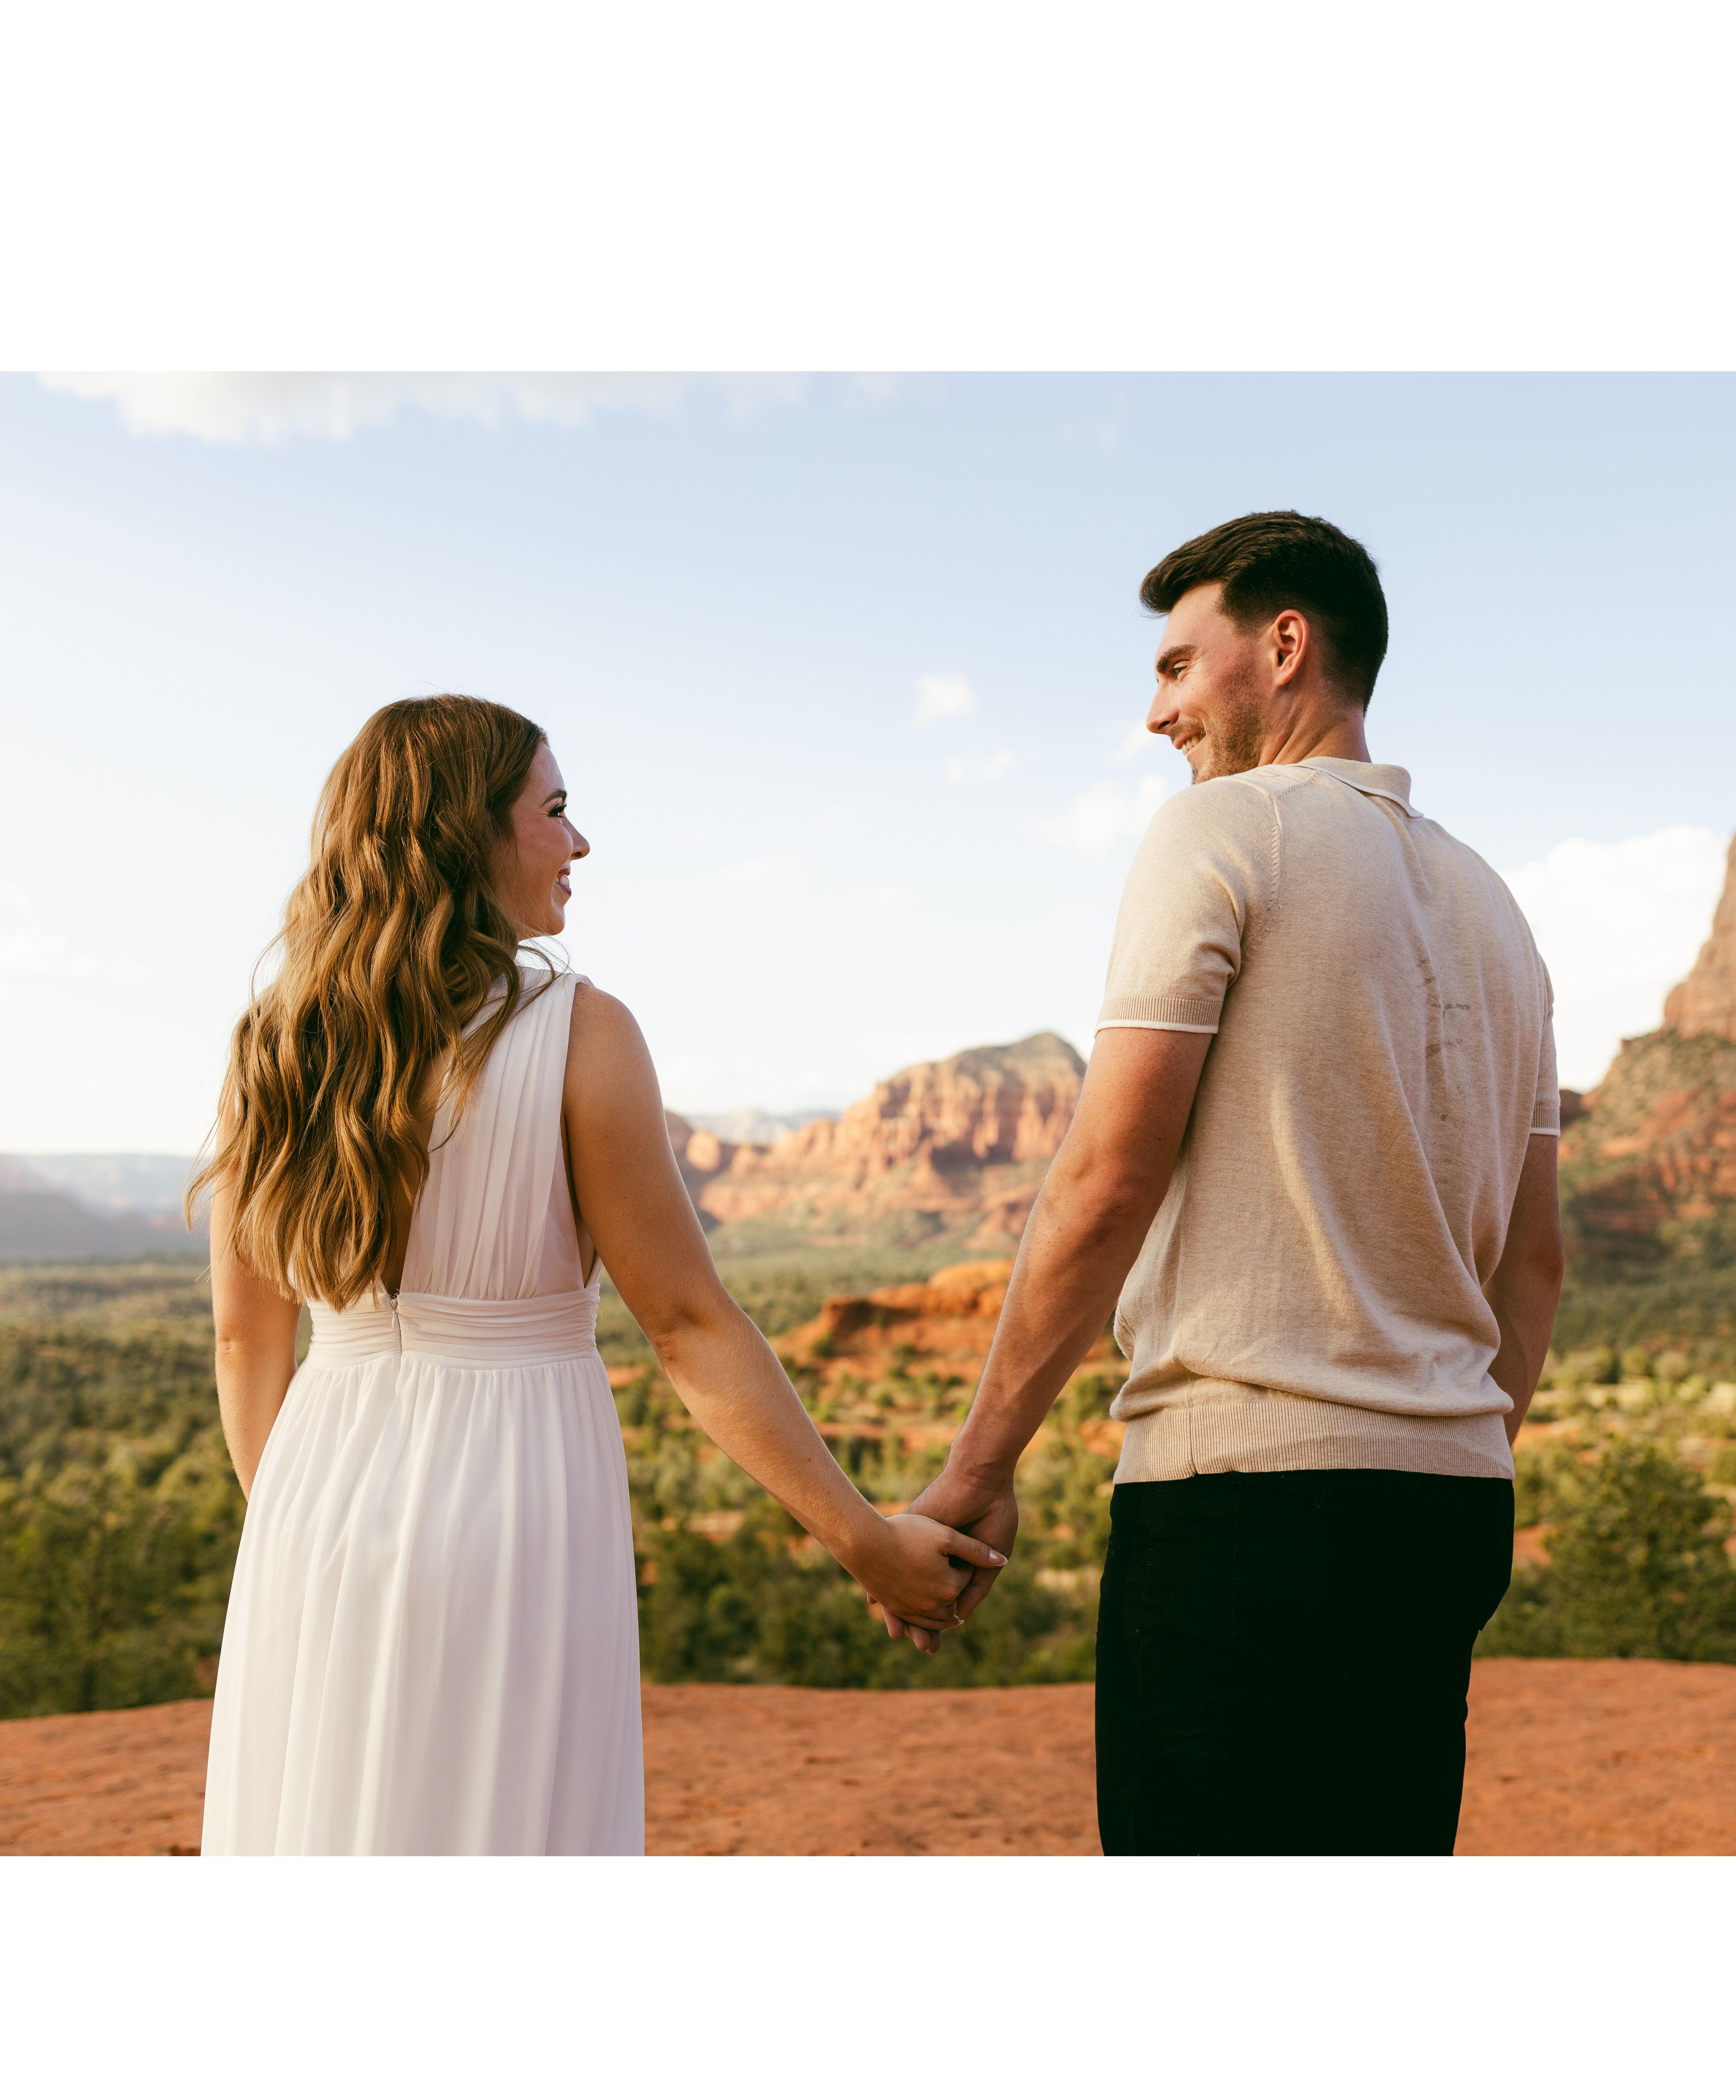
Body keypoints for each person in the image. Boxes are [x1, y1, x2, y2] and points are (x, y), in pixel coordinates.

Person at [196, 695, 1002, 1854]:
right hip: (516, 1497)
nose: (579, 842)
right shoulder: (580, 1032)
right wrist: (864, 1540)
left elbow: (244, 1342)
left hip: (311, 1499)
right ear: (467, 833)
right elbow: (687, 1326)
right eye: (556, 811)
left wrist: (299, 1525)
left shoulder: (274, 1045)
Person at [891, 512, 1564, 1855]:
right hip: (1450, 1508)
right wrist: (1451, 1446)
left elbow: (1109, 1175)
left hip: (1244, 1501)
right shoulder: (1499, 908)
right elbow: (1535, 1262)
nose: (1158, 714)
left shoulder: (1223, 832)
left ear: (1286, 645)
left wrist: (982, 1465)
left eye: (1178, 667)